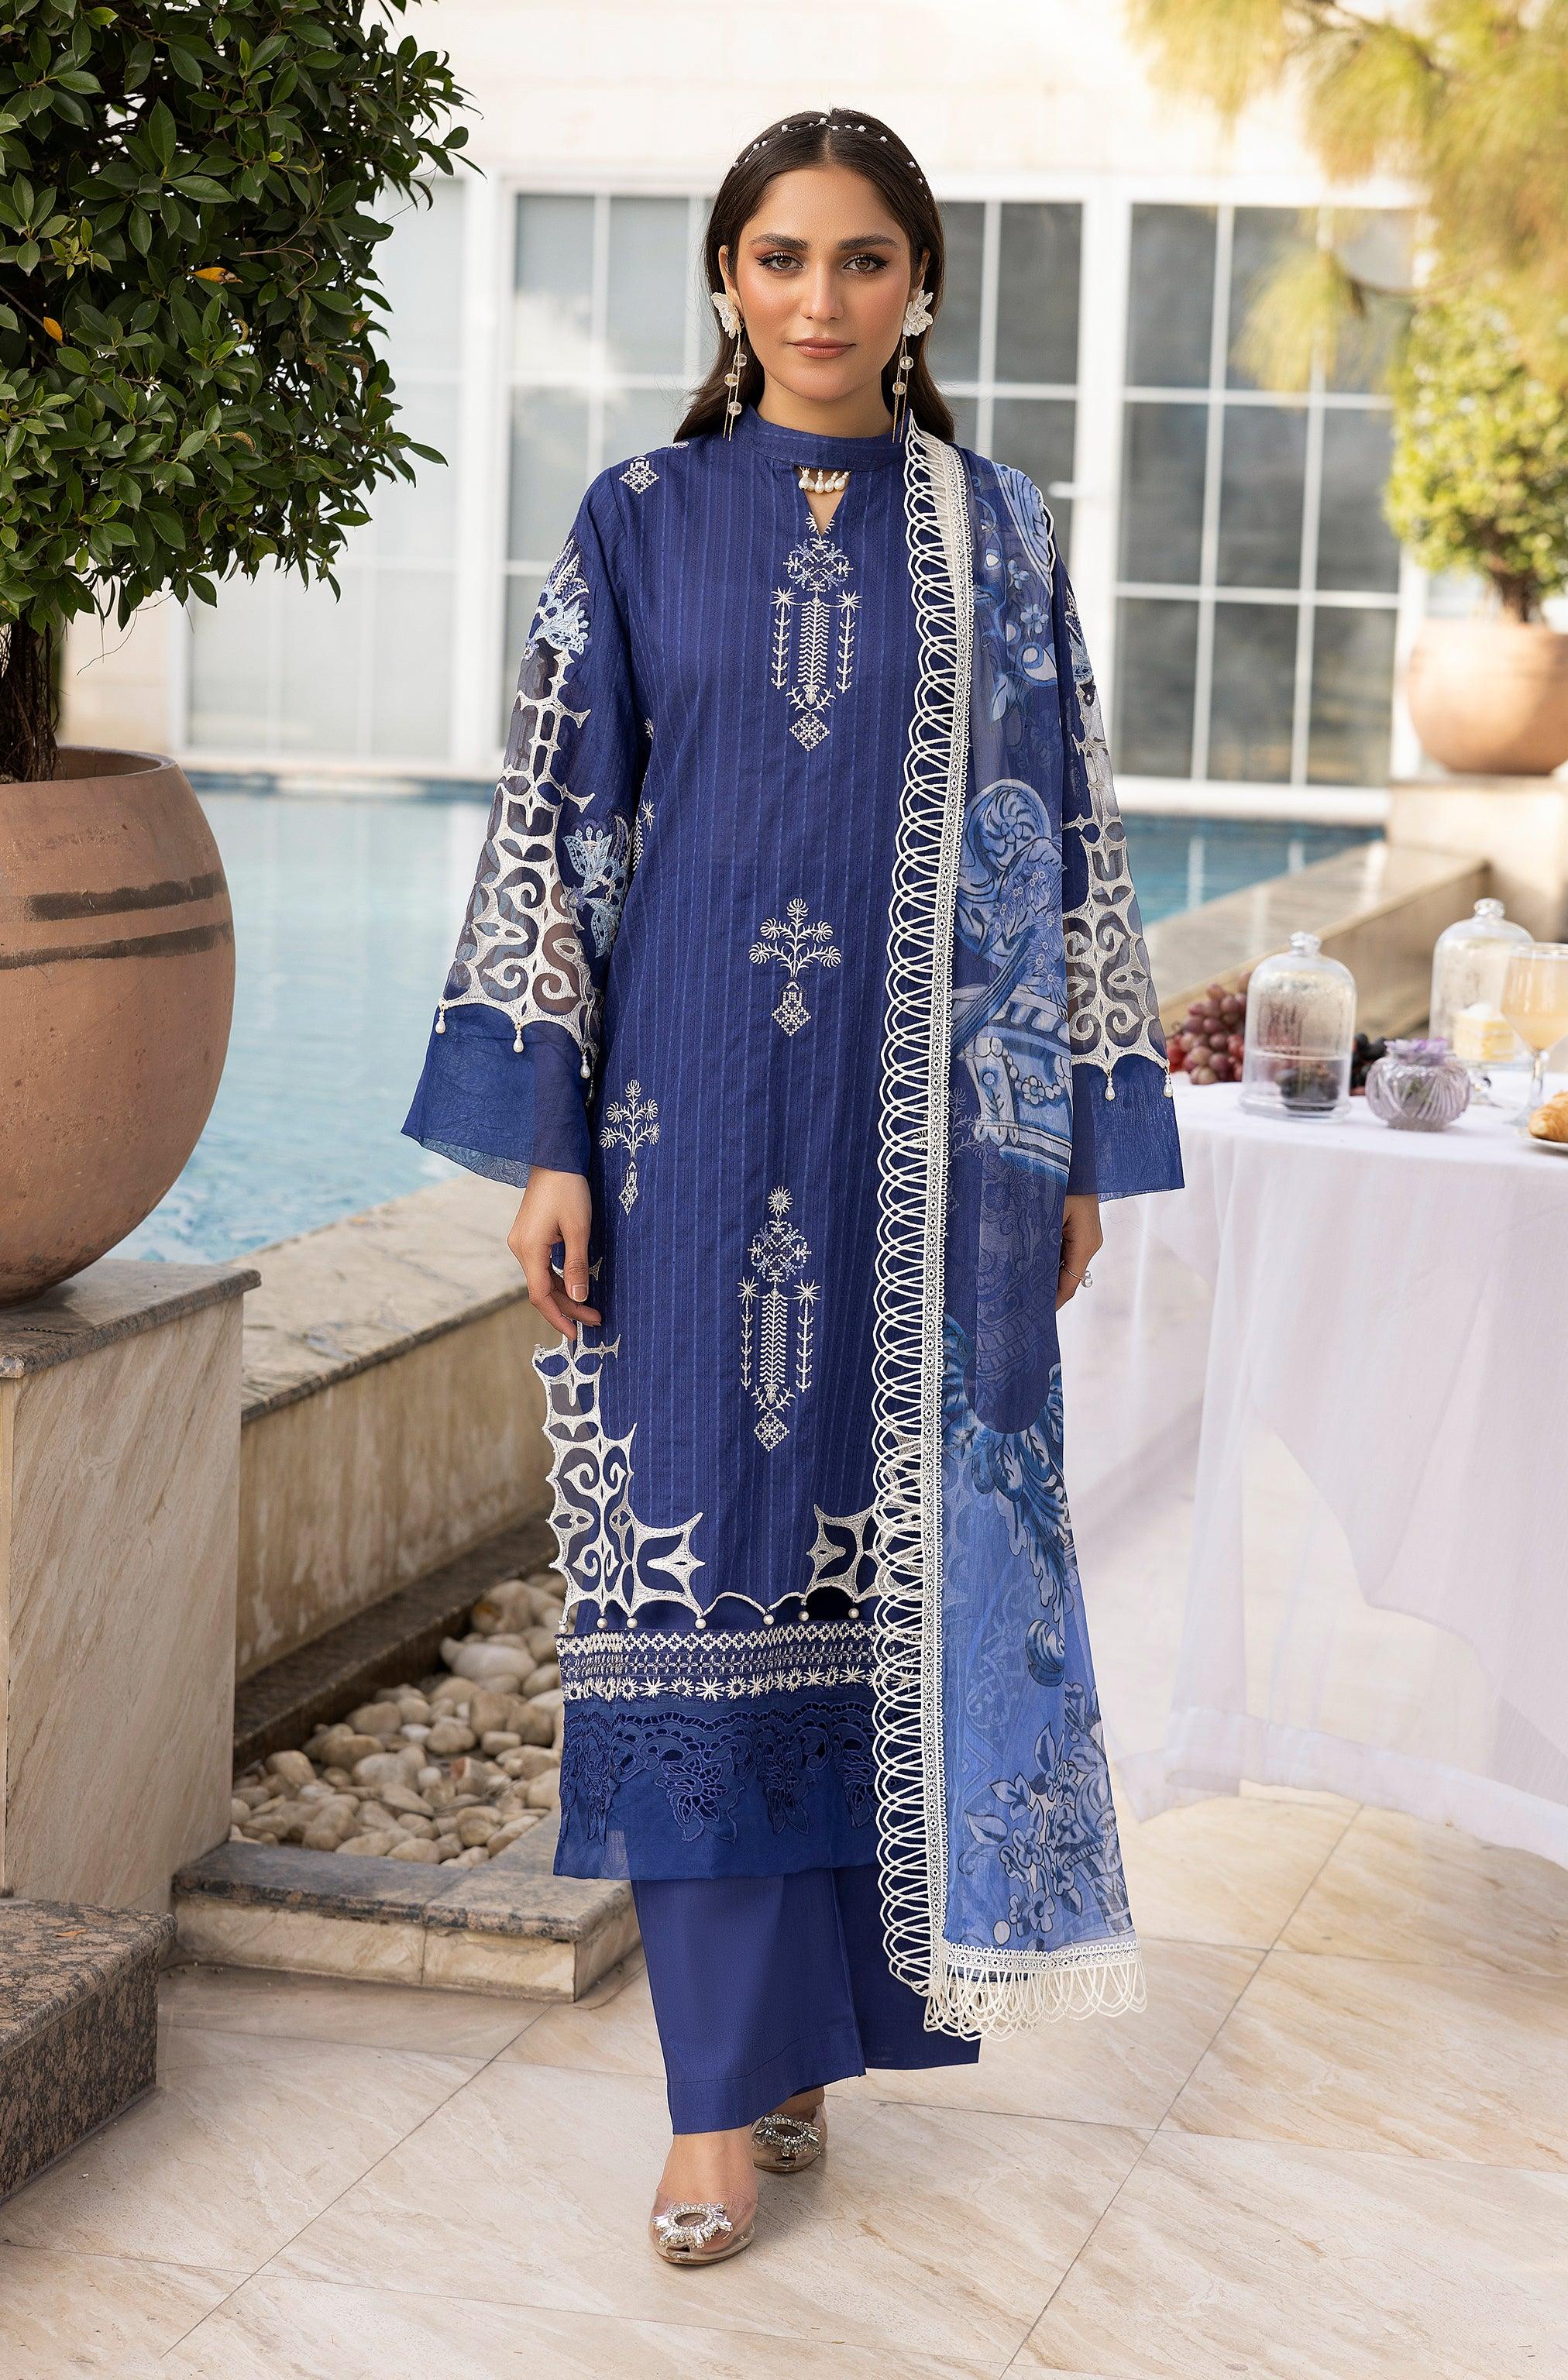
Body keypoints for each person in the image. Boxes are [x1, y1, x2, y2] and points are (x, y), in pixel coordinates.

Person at [404, 105, 1183, 2267]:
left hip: (923, 1157)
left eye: (859, 259)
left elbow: (1060, 840)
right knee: (702, 1580)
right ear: (728, 282)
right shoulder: (639, 517)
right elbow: (556, 828)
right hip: (689, 1130)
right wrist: (549, 1139)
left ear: (919, 284)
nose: (818, 299)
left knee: (879, 1583)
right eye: (778, 257)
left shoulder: (997, 529)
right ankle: (709, 2104)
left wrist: (1065, 1138)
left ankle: (802, 2038)